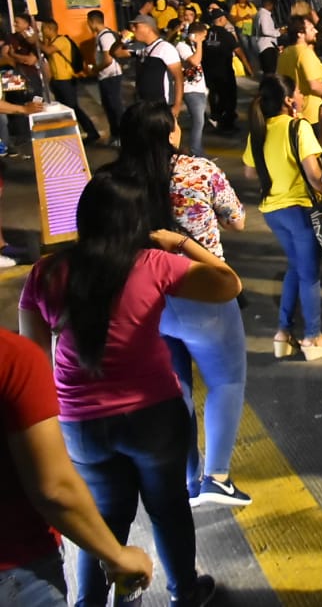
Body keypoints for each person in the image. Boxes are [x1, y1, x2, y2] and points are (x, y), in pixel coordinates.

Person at [17, 172, 241, 607]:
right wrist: (179, 243)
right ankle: (185, 592)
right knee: (169, 508)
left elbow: (32, 359)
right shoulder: (154, 264)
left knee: (103, 521)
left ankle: (93, 601)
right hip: (154, 414)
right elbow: (228, 283)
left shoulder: (46, 272)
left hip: (81, 422)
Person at [109, 101, 251, 508]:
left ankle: (189, 478)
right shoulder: (199, 171)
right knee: (225, 382)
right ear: (171, 132)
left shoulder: (116, 179)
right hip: (202, 292)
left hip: (147, 300)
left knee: (177, 388)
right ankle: (217, 477)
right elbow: (237, 219)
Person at [1, 327, 156, 606]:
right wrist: (116, 556)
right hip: (17, 569)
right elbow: (54, 490)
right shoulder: (12, 358)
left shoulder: (42, 285)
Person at [244, 75, 322, 359]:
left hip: (272, 211)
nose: (303, 96)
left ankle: (283, 332)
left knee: (295, 268)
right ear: (288, 100)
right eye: (299, 91)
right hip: (299, 211)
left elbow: (249, 171)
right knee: (310, 276)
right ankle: (312, 338)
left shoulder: (259, 130)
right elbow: (315, 178)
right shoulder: (298, 127)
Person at [39, 19, 100, 143]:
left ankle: (92, 132)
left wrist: (35, 39)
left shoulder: (61, 40)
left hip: (66, 80)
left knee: (73, 107)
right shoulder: (51, 42)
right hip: (57, 80)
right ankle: (72, 133)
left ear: (50, 29)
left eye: (43, 29)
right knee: (65, 109)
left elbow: (48, 50)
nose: (42, 32)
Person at [87, 9, 128, 145]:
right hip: (106, 76)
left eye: (88, 22)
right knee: (109, 106)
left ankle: (121, 136)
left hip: (111, 75)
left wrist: (95, 69)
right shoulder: (102, 35)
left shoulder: (105, 36)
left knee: (114, 106)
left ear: (93, 22)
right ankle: (116, 135)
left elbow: (108, 59)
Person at [132, 13, 185, 119]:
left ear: (147, 28)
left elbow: (179, 78)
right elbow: (116, 53)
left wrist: (177, 105)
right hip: (143, 104)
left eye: (136, 26)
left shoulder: (165, 48)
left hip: (160, 106)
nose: (133, 30)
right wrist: (121, 39)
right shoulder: (140, 47)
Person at [277, 15, 322, 125]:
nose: (316, 31)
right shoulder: (305, 53)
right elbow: (314, 86)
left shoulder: (284, 53)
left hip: (294, 114)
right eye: (311, 29)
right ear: (300, 33)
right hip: (312, 115)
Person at [176, 22, 210, 157]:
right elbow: (194, 61)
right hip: (190, 89)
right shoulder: (181, 46)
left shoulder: (192, 46)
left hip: (199, 88)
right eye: (203, 36)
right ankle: (196, 151)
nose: (205, 38)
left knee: (199, 121)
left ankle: (197, 148)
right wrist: (199, 43)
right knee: (198, 121)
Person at [256, 0, 282, 75]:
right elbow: (265, 31)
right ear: (270, 5)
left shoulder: (260, 13)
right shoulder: (264, 15)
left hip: (265, 44)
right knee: (270, 71)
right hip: (267, 46)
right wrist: (279, 33)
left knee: (268, 71)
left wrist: (277, 30)